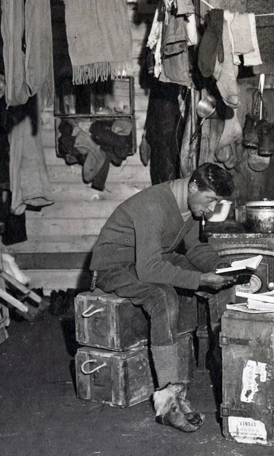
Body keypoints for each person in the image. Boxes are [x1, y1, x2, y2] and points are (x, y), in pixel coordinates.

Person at [89, 163, 236, 432]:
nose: (212, 209)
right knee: (162, 296)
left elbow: (195, 248)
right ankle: (168, 402)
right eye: (211, 200)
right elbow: (149, 269)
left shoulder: (190, 205)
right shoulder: (153, 205)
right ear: (193, 187)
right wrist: (199, 280)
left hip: (147, 259)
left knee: (223, 286)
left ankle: (228, 364)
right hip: (115, 266)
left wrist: (219, 269)